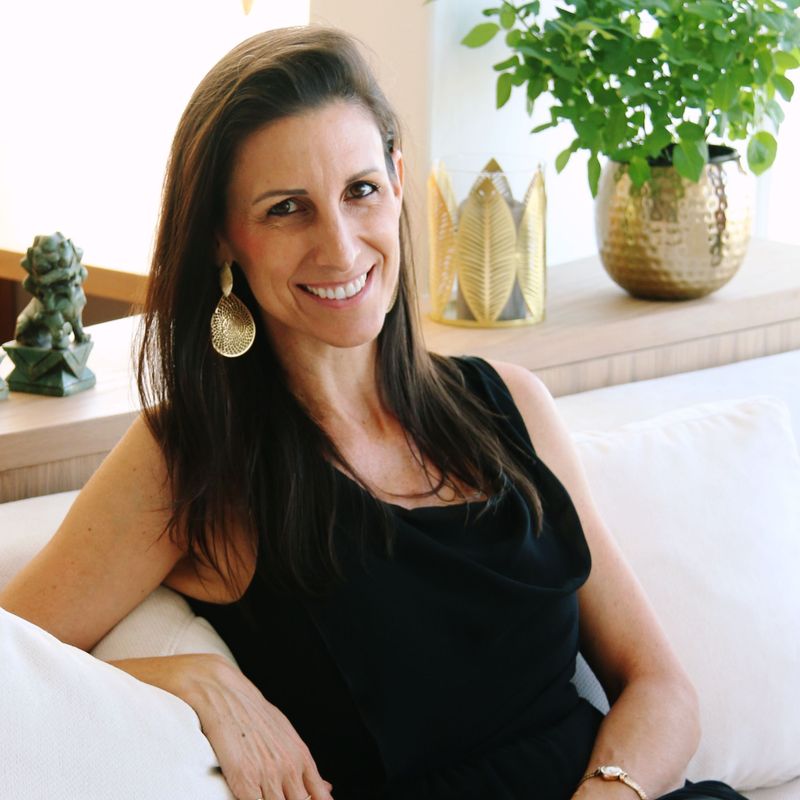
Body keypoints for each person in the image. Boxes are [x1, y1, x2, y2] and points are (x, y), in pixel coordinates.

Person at [0, 26, 749, 800]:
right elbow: (10, 671)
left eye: (360, 191)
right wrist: (183, 680)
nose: (340, 245)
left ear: (396, 182)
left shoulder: (510, 405)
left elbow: (661, 689)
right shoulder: (195, 456)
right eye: (287, 209)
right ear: (226, 238)